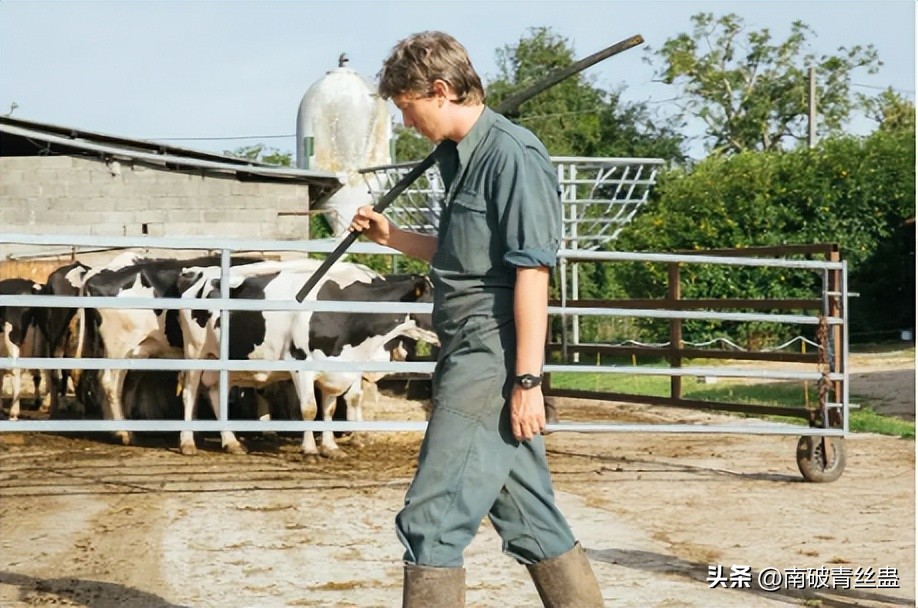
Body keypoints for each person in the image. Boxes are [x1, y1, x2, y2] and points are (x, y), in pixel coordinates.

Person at [348, 31, 603, 608]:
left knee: (432, 522)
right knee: (531, 517)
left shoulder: (512, 155)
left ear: (439, 91)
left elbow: (532, 274)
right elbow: (460, 252)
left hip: (491, 355)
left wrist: (528, 382)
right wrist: (392, 237)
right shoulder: (460, 160)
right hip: (465, 347)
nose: (406, 122)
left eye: (407, 108)